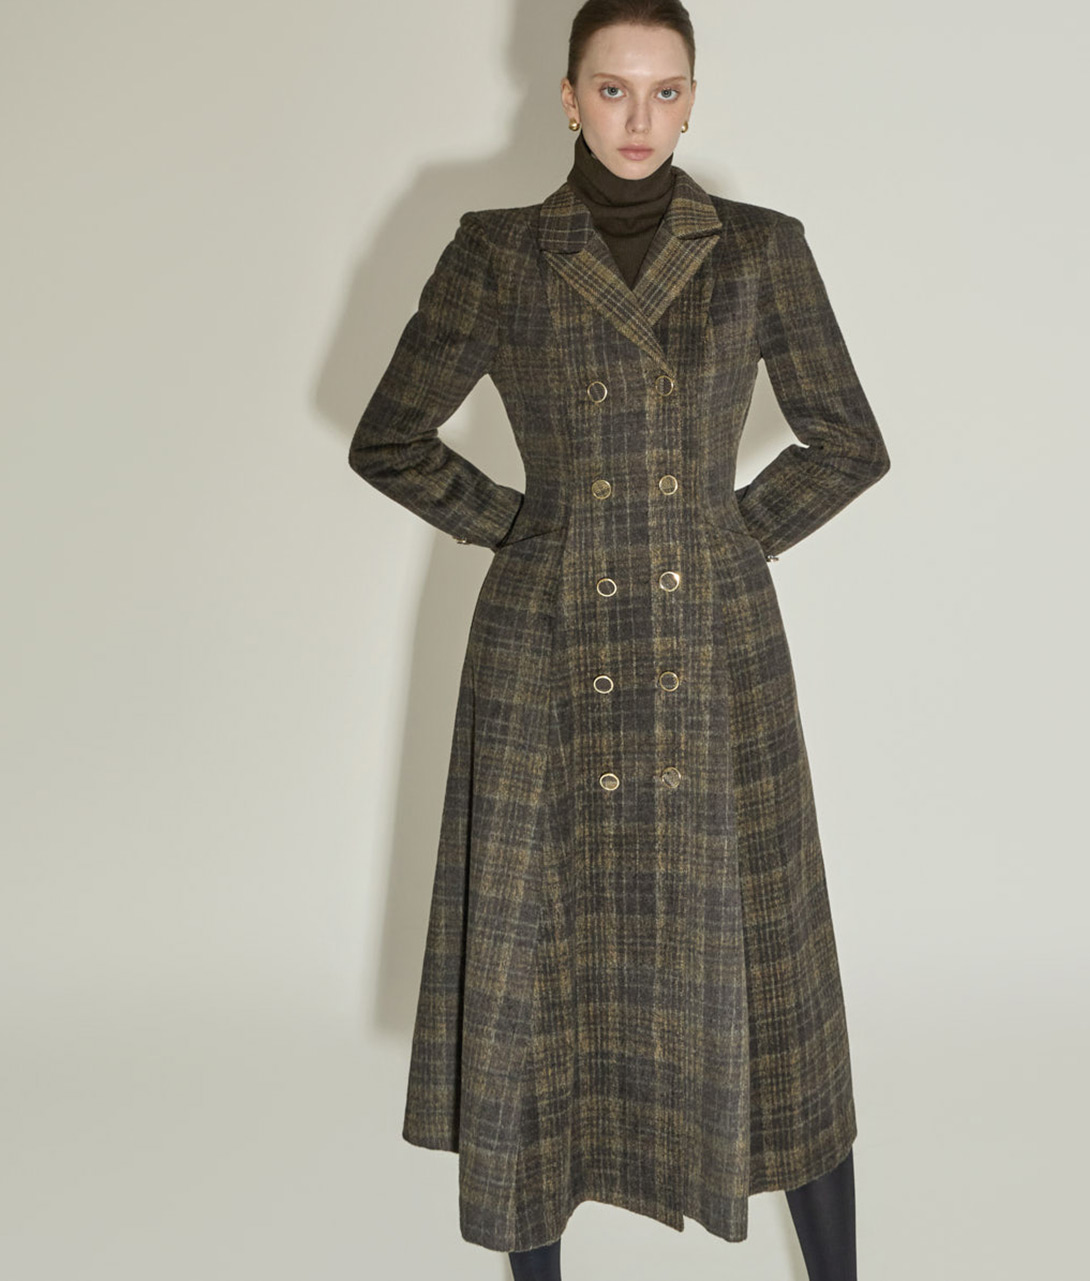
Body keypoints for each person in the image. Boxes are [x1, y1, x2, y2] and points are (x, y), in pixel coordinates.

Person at [348, 2, 889, 1277]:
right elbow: (390, 437)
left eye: (664, 90)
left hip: (714, 650)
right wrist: (528, 530)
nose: (637, 118)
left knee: (771, 991)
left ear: (693, 97)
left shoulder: (759, 249)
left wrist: (724, 539)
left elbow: (847, 442)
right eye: (611, 89)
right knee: (544, 975)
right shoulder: (497, 252)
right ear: (566, 97)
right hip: (551, 655)